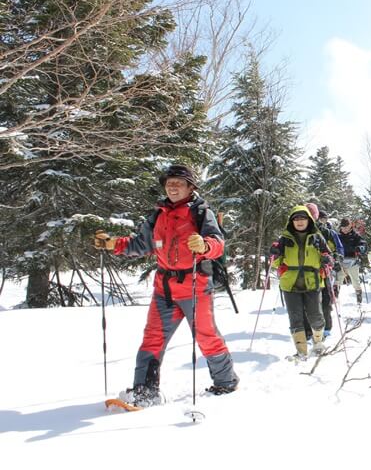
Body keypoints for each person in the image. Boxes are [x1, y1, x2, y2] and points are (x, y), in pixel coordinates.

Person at [93, 164, 239, 407]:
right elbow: (142, 244)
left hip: (195, 286)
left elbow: (218, 243)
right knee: (152, 339)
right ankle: (145, 392)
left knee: (206, 336)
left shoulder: (202, 212)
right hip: (164, 288)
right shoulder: (158, 214)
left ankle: (225, 381)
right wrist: (113, 244)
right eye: (169, 182)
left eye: (178, 182)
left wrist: (204, 245)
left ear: (191, 187)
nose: (172, 186)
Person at [269, 205, 333, 359]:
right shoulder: (284, 239)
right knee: (295, 318)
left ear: (309, 220)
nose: (299, 222)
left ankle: (318, 343)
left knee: (316, 315)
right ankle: (301, 351)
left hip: (312, 282)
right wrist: (275, 254)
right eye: (296, 219)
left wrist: (327, 259)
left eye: (302, 218)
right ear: (291, 221)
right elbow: (275, 263)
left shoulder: (318, 237)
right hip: (290, 283)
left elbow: (329, 258)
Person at [303, 203, 343, 339]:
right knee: (307, 302)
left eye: (311, 215)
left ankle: (326, 327)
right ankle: (308, 330)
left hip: (323, 270)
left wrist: (335, 259)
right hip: (305, 272)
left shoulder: (326, 232)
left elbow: (337, 248)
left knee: (325, 299)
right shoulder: (298, 231)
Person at [336, 217, 365, 305]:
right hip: (341, 261)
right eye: (343, 227)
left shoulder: (355, 236)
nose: (345, 229)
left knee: (355, 281)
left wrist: (360, 248)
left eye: (347, 227)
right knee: (337, 280)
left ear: (350, 227)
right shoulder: (337, 236)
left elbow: (363, 244)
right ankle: (335, 298)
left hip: (353, 261)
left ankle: (359, 298)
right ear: (340, 228)